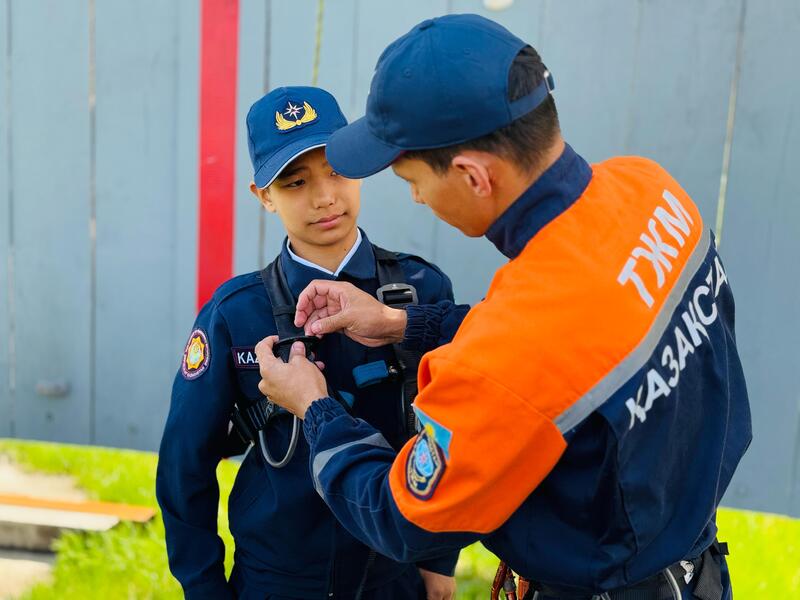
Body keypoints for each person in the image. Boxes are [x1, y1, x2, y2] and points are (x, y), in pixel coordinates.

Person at [253, 15, 752, 600]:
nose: (416, 197)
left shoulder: (515, 350)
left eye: (412, 179)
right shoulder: (649, 189)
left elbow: (403, 515)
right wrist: (402, 324)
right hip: (697, 570)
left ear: (472, 176)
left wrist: (314, 408)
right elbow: (579, 338)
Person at [156, 86, 459, 600]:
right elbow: (185, 465)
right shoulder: (235, 313)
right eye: (295, 182)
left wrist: (437, 560)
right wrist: (204, 588)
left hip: (393, 574)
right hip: (276, 580)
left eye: (337, 172)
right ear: (264, 196)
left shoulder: (419, 292)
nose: (324, 197)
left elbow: (447, 428)